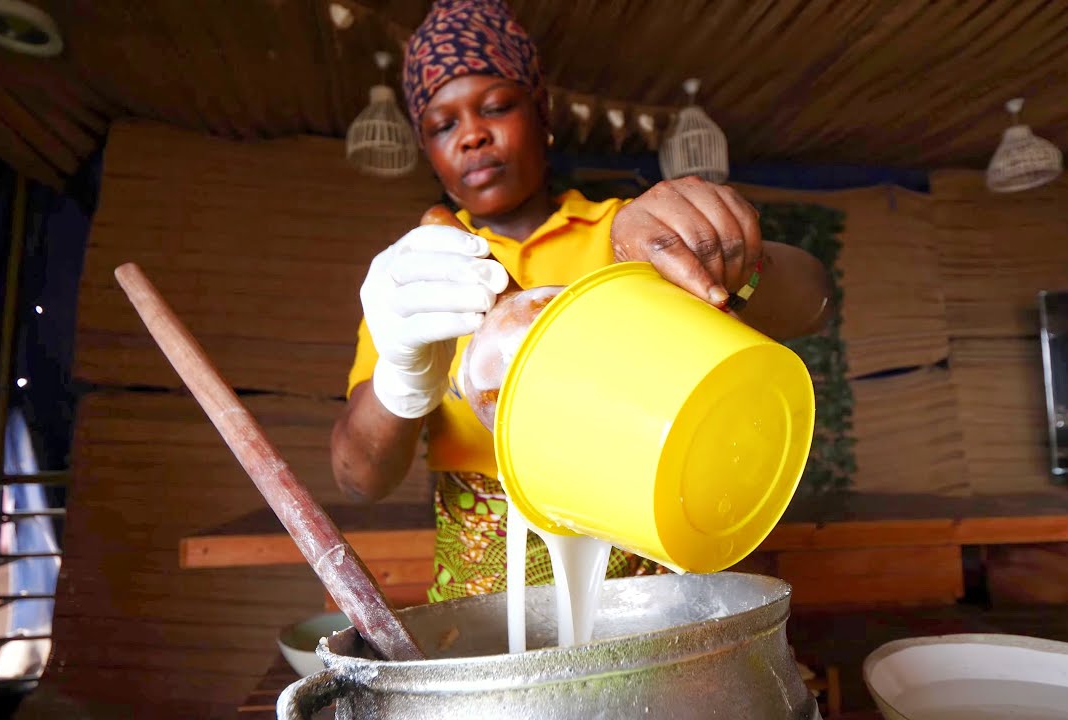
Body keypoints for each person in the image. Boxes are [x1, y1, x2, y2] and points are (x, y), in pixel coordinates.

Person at [330, 0, 833, 603]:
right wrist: (402, 380)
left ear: (542, 118)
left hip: (642, 550)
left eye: (495, 107)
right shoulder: (414, 282)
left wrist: (733, 258)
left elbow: (812, 299)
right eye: (442, 126)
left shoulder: (630, 235)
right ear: (430, 155)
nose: (472, 134)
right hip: (486, 578)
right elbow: (358, 479)